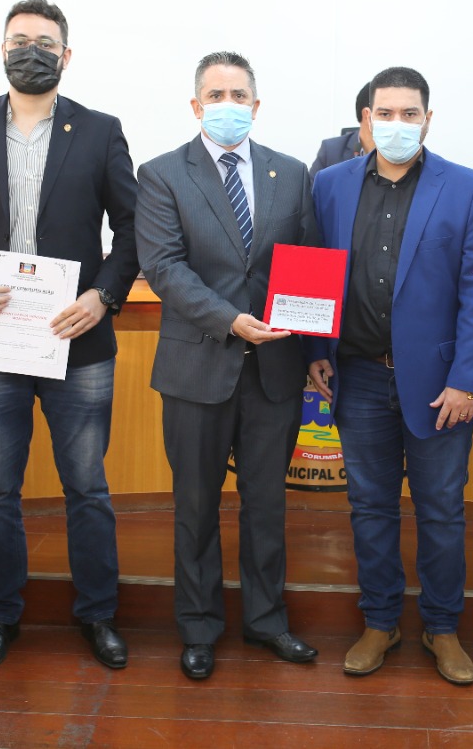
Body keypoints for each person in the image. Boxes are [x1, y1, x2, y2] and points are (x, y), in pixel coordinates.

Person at [0, 0, 140, 672]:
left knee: (87, 486)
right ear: (2, 49)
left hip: (77, 339)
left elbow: (133, 228)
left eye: (45, 43)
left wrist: (103, 297)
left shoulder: (100, 130)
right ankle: (0, 615)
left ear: (66, 56)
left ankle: (98, 614)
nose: (31, 51)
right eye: (19, 40)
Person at [308, 66, 473, 685]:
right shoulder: (329, 185)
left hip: (442, 385)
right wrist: (315, 349)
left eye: (410, 114)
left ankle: (443, 627)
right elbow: (314, 272)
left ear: (427, 119)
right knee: (370, 508)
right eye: (386, 114)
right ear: (367, 119)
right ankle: (380, 621)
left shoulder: (469, 188)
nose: (398, 124)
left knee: (441, 511)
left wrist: (468, 380)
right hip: (358, 376)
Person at [138, 51, 320, 681]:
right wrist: (231, 320)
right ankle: (198, 627)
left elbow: (307, 262)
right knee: (195, 507)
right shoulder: (162, 174)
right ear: (196, 106)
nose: (228, 106)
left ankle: (267, 620)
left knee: (266, 505)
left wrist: (311, 344)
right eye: (215, 96)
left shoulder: (291, 173)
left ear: (256, 105)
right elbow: (164, 267)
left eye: (238, 96)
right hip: (197, 368)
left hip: (275, 369)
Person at [308, 83, 374, 178]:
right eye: (385, 113)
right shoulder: (331, 151)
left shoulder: (395, 152)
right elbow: (313, 186)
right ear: (367, 115)